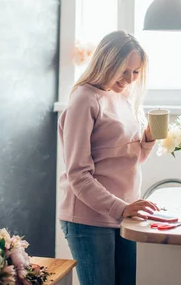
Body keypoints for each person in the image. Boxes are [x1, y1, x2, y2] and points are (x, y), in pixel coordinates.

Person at [58, 30, 159, 285]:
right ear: (106, 62)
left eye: (135, 72)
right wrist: (121, 208)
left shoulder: (123, 97)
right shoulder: (84, 99)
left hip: (122, 214)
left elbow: (128, 160)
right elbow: (78, 175)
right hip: (89, 217)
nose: (129, 79)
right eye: (124, 71)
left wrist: (147, 139)